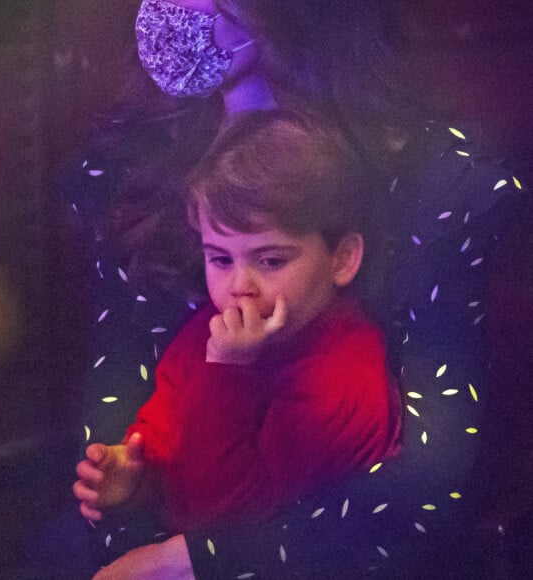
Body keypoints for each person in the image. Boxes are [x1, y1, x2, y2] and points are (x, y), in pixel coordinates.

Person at [47, 0, 531, 578]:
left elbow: (434, 485)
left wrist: (196, 562)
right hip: (140, 531)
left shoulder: (445, 181)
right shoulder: (130, 166)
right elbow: (124, 407)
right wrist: (128, 485)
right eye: (219, 256)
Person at [73, 110, 401, 536]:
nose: (239, 286)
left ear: (342, 259)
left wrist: (227, 371)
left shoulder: (342, 379)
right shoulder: (215, 329)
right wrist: (136, 475)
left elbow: (223, 522)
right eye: (220, 258)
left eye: (270, 260)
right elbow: (170, 430)